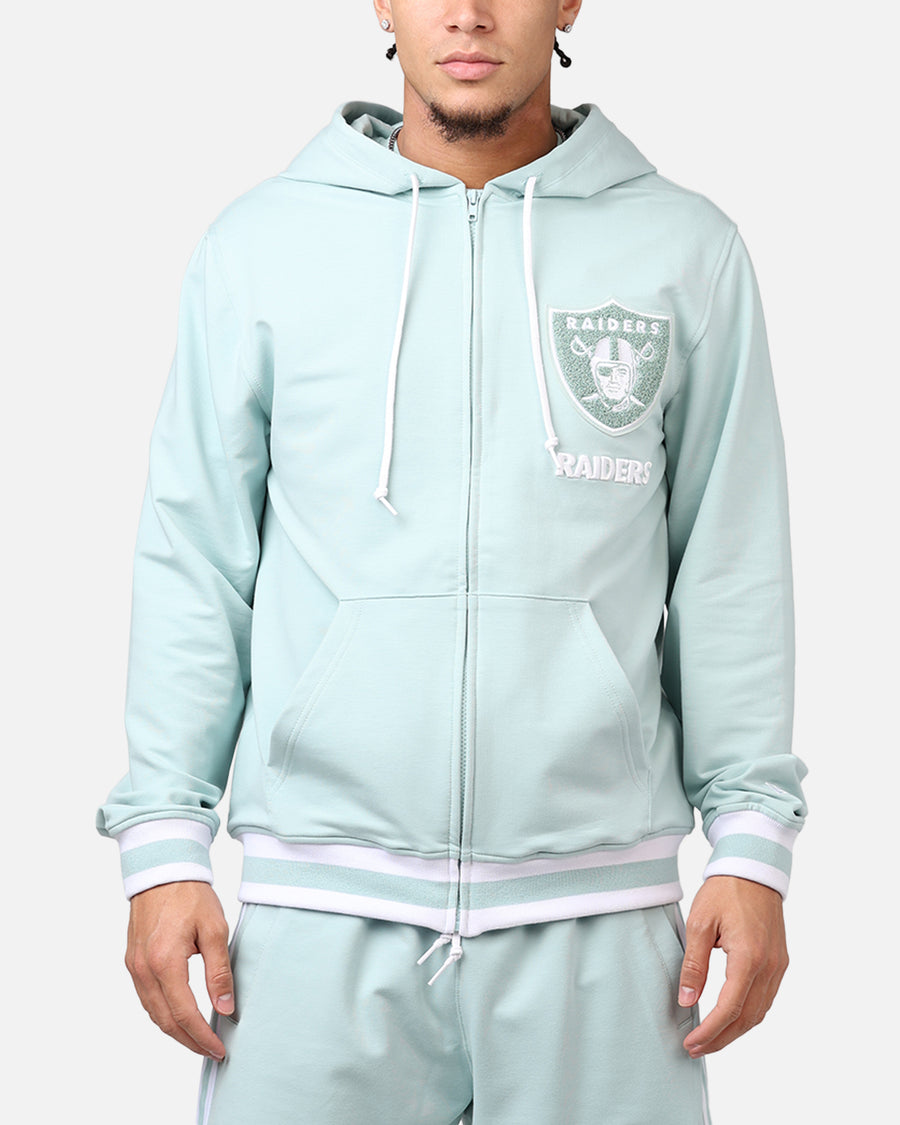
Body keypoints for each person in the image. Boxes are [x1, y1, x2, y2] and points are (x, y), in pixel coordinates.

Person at [96, 3, 810, 1122]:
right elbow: (195, 557)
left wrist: (754, 845)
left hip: (603, 927)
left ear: (568, 1)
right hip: (314, 926)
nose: (468, 11)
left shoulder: (685, 250)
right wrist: (163, 845)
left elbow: (730, 563)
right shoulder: (261, 247)